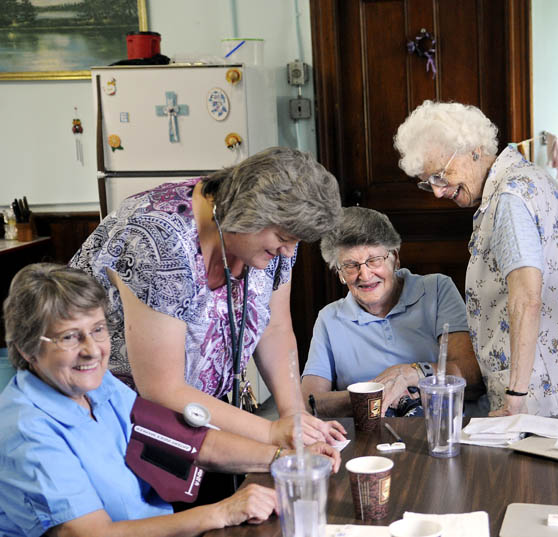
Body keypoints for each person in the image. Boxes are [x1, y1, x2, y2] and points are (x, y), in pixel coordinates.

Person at [0, 263, 341, 537]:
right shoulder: (27, 430)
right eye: (70, 337)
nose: (92, 350)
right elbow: (92, 533)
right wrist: (221, 512)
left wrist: (285, 458)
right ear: (28, 348)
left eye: (98, 329)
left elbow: (181, 441)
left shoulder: (96, 385)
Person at [70, 147, 346, 448]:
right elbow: (162, 389)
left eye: (296, 242)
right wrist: (270, 432)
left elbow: (275, 328)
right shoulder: (159, 238)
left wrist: (293, 415)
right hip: (108, 418)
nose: (289, 252)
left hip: (198, 412)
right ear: (248, 214)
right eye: (283, 239)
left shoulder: (274, 237)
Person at [394, 101, 558, 418]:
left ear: (474, 150)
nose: (436, 192)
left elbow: (527, 298)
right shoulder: (528, 177)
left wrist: (515, 395)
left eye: (440, 175)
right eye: (427, 181)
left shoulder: (509, 199)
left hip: (543, 398)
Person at [301, 206, 484, 417]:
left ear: (395, 258)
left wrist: (412, 374)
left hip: (441, 428)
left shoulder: (436, 289)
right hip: (370, 436)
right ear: (340, 274)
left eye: (374, 260)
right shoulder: (329, 319)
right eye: (351, 265)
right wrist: (375, 395)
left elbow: (472, 376)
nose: (365, 275)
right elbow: (308, 403)